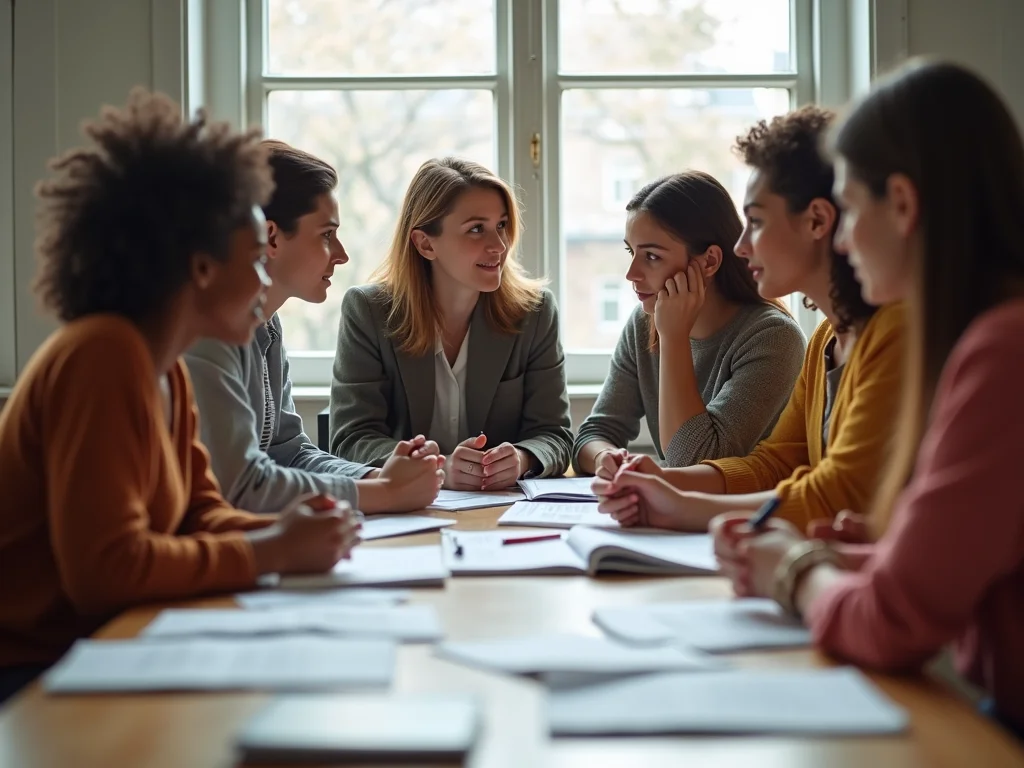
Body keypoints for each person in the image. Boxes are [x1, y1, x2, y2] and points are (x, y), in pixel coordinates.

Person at [0, 90, 359, 704]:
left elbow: (201, 514)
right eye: (255, 258)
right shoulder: (103, 354)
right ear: (201, 268)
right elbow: (105, 573)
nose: (264, 279)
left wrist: (300, 531)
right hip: (38, 676)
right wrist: (271, 547)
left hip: (112, 647)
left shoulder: (164, 369)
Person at [712, 60, 1024, 740]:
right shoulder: (988, 330)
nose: (845, 239)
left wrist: (793, 568)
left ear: (905, 205)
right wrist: (883, 557)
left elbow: (892, 626)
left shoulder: (1003, 350)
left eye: (851, 208)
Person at [593, 106, 903, 532]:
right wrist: (665, 481)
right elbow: (775, 463)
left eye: (755, 222)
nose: (740, 246)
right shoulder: (825, 340)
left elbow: (836, 491)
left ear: (817, 221)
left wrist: (679, 505)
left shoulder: (891, 332)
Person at [185, 141, 444, 514]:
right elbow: (239, 485)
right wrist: (384, 494)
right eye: (326, 235)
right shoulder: (206, 333)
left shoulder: (267, 326)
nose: (341, 254)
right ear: (270, 237)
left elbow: (288, 451)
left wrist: (375, 477)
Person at [330, 157, 574, 490]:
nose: (499, 245)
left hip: (500, 512)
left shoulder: (535, 312)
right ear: (425, 243)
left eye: (501, 225)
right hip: (406, 512)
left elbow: (555, 435)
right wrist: (439, 468)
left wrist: (522, 458)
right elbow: (350, 439)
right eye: (477, 229)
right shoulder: (369, 312)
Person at [572, 170, 804, 475]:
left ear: (709, 261)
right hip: (676, 512)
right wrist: (607, 459)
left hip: (742, 517)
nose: (631, 274)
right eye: (631, 251)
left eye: (652, 257)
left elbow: (695, 460)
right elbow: (593, 434)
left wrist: (673, 337)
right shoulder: (644, 322)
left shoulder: (773, 338)